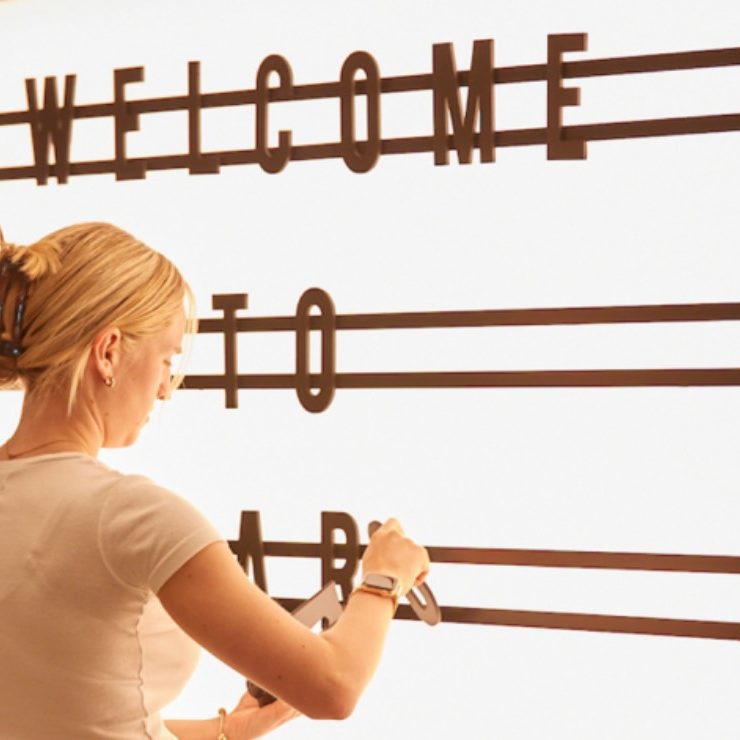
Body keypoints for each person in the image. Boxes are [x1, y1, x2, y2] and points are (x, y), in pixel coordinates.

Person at [0, 222, 430, 739]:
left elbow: (72, 716)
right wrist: (384, 579)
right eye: (167, 359)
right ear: (108, 351)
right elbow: (333, 687)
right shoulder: (132, 515)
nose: (165, 390)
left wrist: (230, 730)